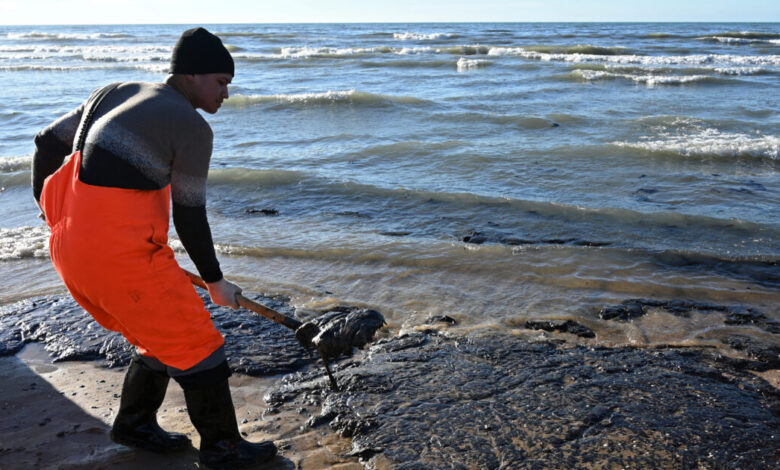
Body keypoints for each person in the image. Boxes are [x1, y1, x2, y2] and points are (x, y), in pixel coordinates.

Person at [31, 27, 277, 469]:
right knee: (198, 342)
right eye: (221, 82)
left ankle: (134, 425)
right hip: (119, 258)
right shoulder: (190, 126)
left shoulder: (115, 91)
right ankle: (223, 449)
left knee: (155, 336)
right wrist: (216, 281)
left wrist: (47, 211)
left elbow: (46, 143)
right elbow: (189, 214)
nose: (226, 93)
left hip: (69, 248)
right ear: (192, 74)